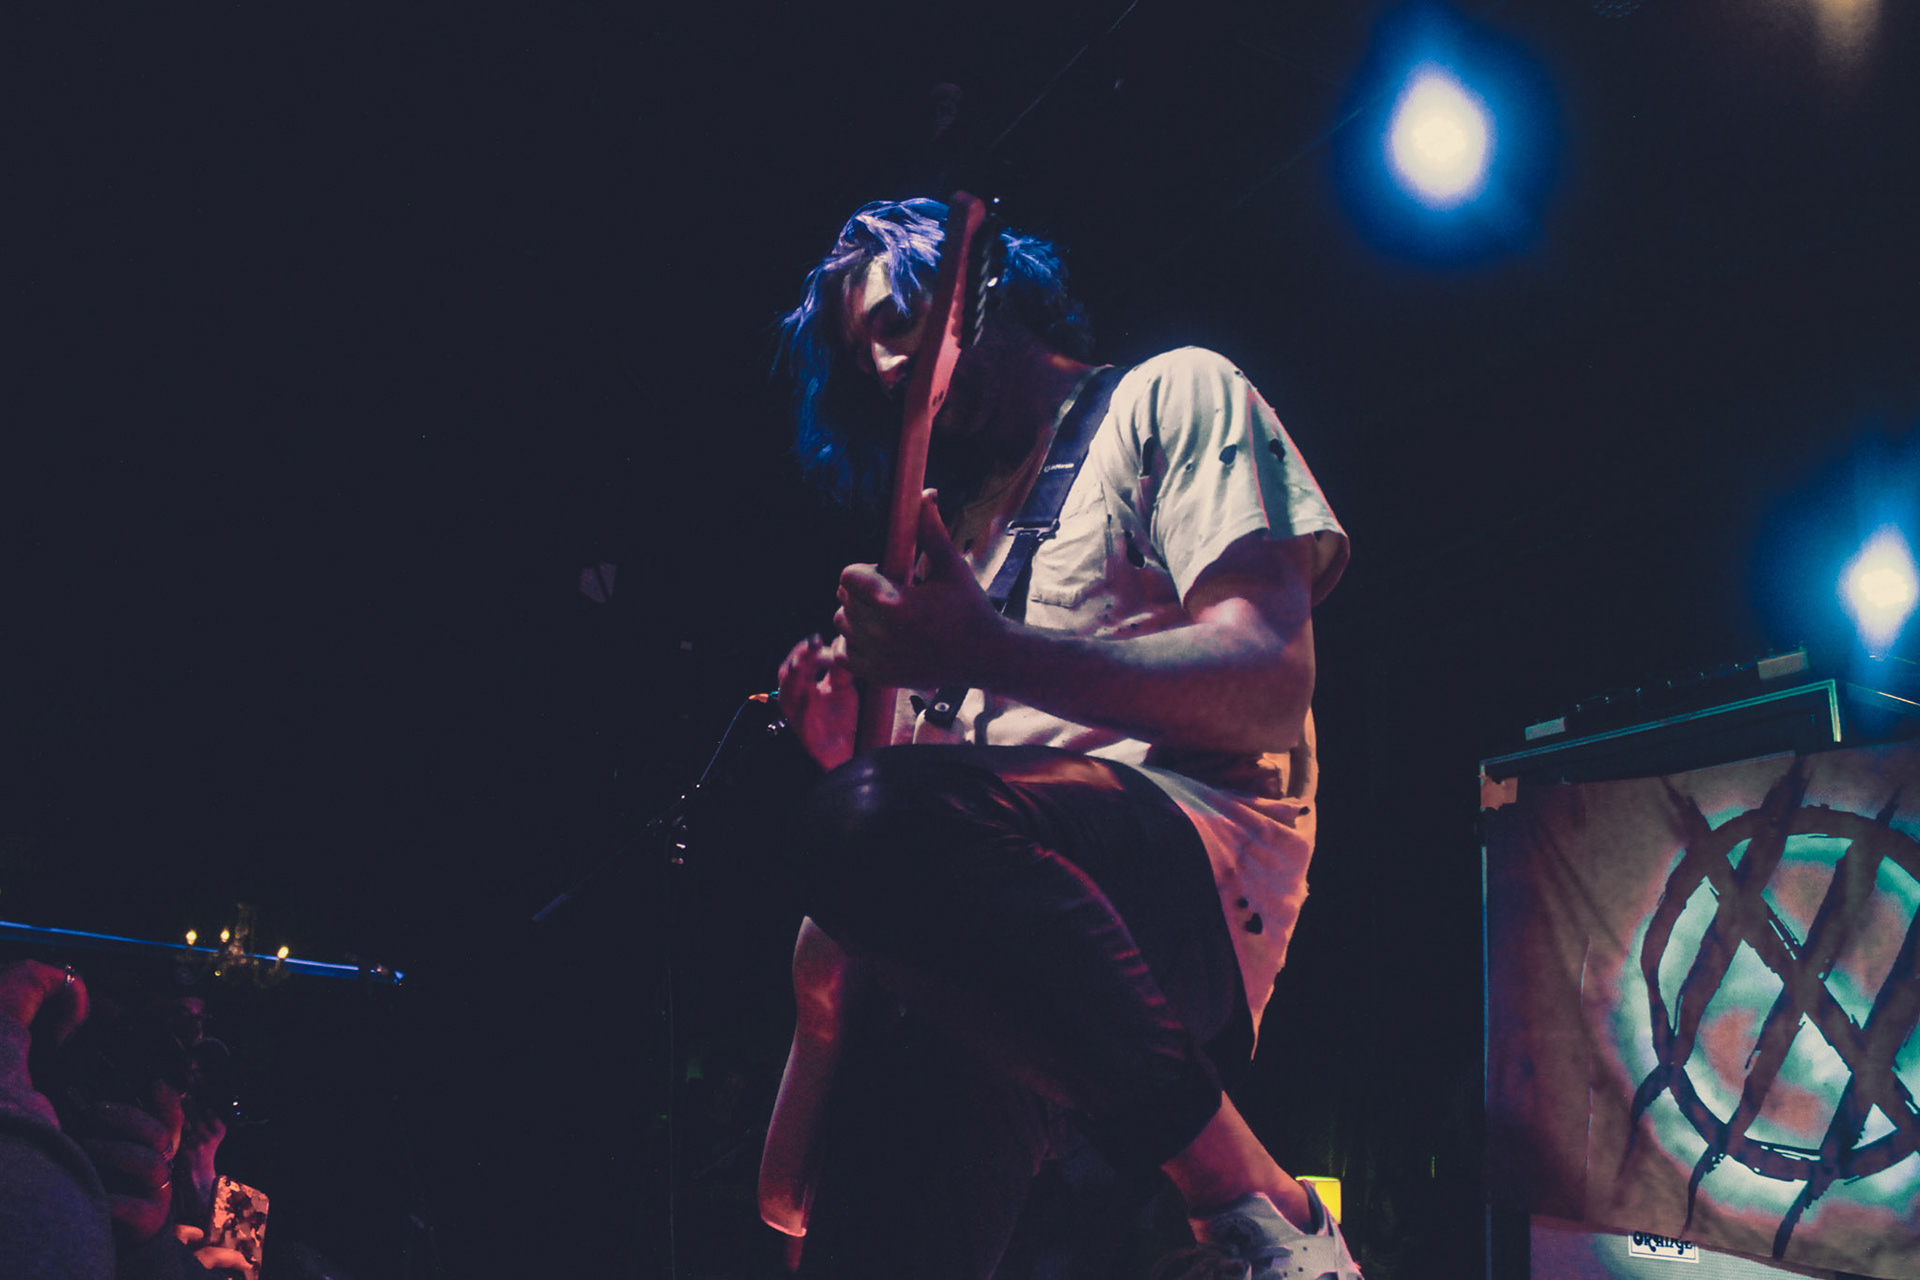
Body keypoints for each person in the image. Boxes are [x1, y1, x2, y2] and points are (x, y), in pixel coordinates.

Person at [761, 198, 1359, 1280]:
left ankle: (1247, 1191)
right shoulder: (957, 546)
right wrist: (858, 755)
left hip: (1192, 872)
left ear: (978, 284)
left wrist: (984, 656)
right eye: (862, 355)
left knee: (875, 820)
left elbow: (1267, 682)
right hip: (1018, 929)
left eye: (897, 320)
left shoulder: (1168, 394)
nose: (887, 366)